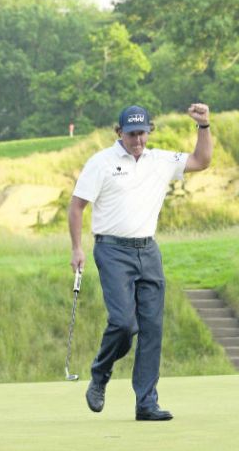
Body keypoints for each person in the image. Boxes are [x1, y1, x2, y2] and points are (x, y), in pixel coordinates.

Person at [68, 103, 212, 421]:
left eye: (142, 133)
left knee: (151, 329)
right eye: (131, 134)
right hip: (112, 250)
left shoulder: (160, 161)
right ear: (119, 132)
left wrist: (203, 127)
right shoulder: (100, 163)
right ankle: (100, 373)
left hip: (148, 251)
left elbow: (201, 161)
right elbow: (77, 206)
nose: (138, 140)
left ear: (149, 132)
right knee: (123, 323)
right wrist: (77, 248)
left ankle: (146, 403)